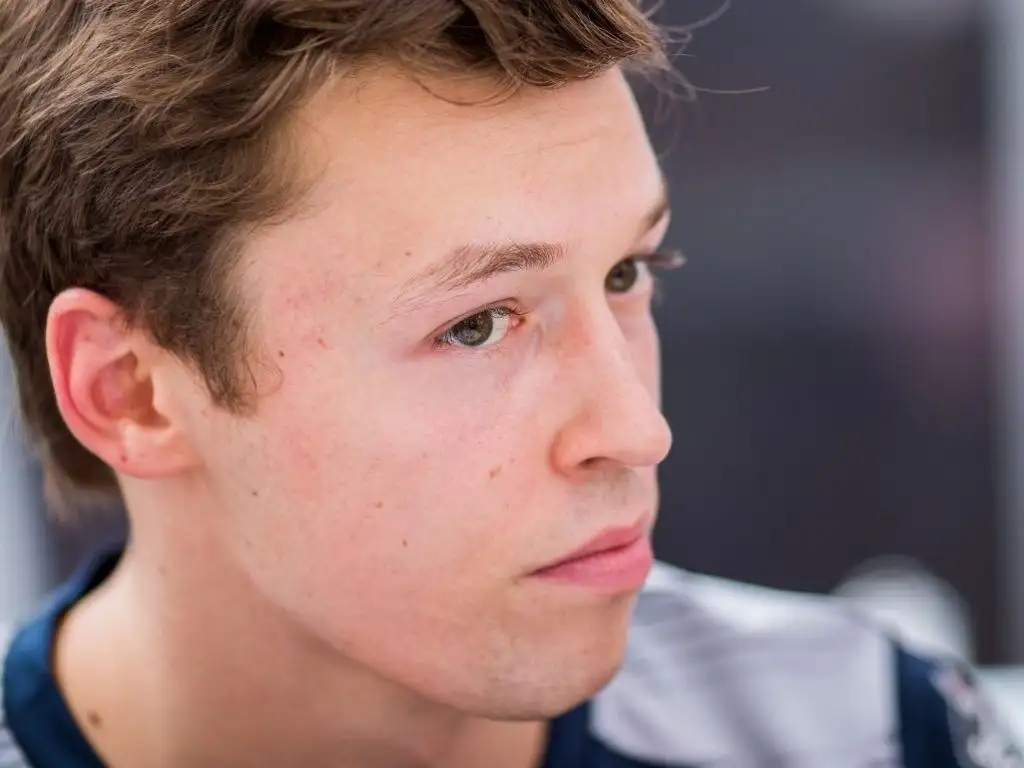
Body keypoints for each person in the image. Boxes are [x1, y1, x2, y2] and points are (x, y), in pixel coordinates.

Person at [0, 2, 1019, 766]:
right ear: (129, 390)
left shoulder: (872, 728)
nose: (637, 429)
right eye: (477, 325)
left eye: (627, 272)